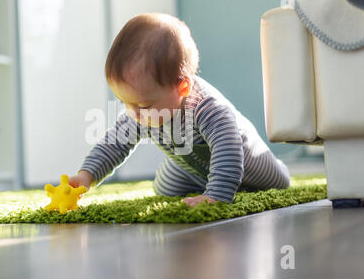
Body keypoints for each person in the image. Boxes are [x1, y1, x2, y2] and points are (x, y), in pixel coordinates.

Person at [69, 13, 290, 208]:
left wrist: (216, 196)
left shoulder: (208, 108)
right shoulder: (139, 111)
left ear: (182, 87)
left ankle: (228, 183)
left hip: (247, 163)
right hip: (192, 164)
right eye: (124, 102)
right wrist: (86, 175)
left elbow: (228, 150)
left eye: (143, 105)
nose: (133, 113)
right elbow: (113, 144)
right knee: (163, 187)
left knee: (277, 181)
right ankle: (206, 182)